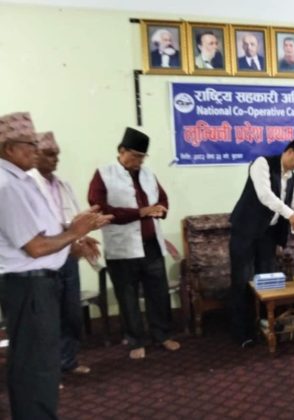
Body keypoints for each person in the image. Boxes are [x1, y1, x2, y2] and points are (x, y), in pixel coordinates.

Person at [0, 112, 111, 419]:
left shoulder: (19, 181)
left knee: (39, 361)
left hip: (37, 283)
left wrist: (73, 238)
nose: (35, 151)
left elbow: (43, 232)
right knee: (36, 364)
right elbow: (35, 247)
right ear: (9, 148)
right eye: (30, 145)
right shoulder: (7, 185)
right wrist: (75, 231)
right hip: (28, 285)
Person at [88, 127, 180, 360]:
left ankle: (162, 335)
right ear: (122, 150)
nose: (140, 161)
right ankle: (136, 340)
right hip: (122, 249)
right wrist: (140, 212)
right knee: (127, 297)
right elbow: (100, 209)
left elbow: (162, 198)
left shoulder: (148, 174)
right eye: (136, 156)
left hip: (151, 245)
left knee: (158, 294)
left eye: (143, 157)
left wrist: (160, 210)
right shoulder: (104, 174)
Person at [229, 139, 294, 347]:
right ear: (290, 152)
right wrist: (291, 215)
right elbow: (265, 196)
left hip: (267, 234)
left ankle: (266, 323)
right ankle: (242, 333)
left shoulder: (291, 176)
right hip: (245, 231)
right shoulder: (262, 163)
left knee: (267, 280)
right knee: (242, 281)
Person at [28, 131, 97, 378]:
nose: (55, 159)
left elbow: (72, 220)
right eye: (49, 154)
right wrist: (69, 234)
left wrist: (83, 237)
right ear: (34, 154)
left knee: (71, 313)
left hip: (68, 258)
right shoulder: (27, 186)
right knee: (46, 319)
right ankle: (48, 371)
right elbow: (34, 229)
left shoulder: (63, 185)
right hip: (42, 261)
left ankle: (68, 361)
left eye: (57, 154)